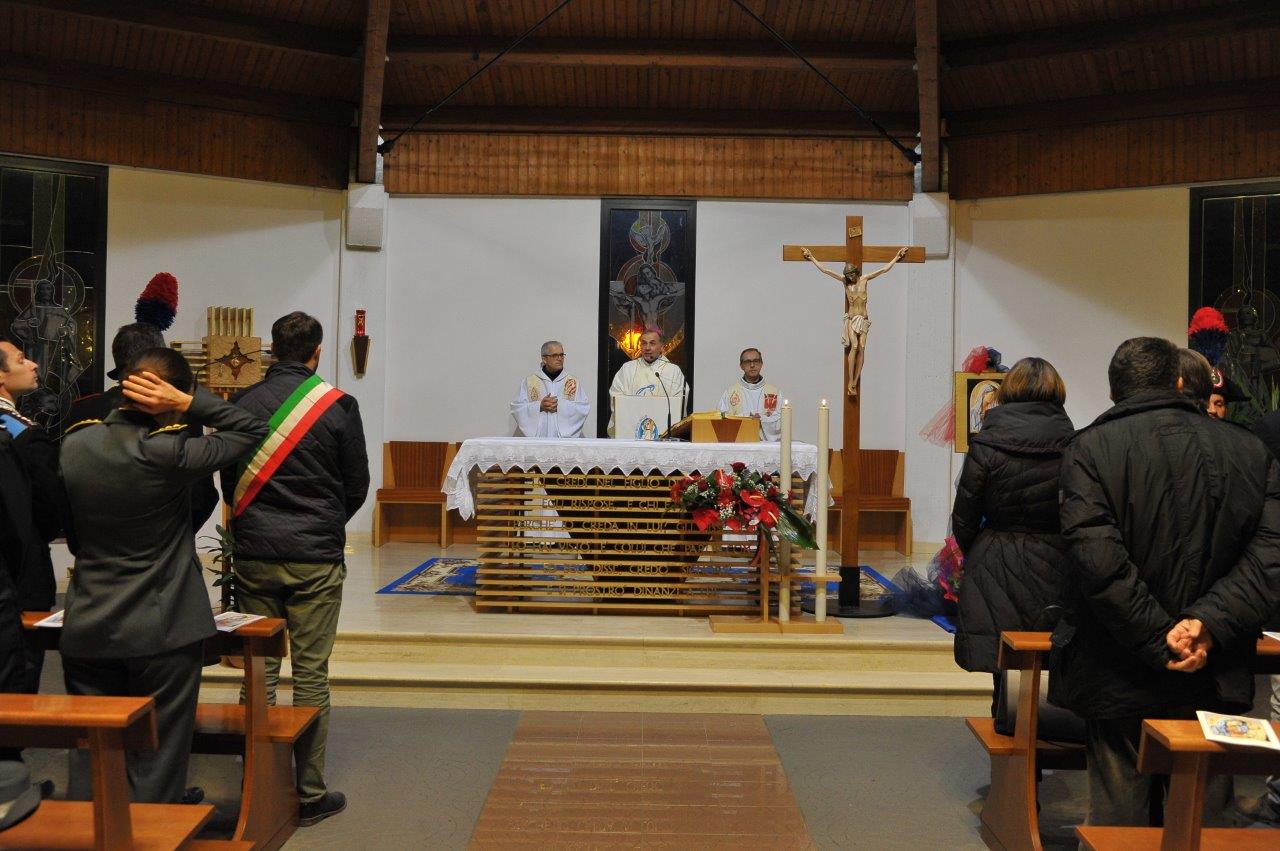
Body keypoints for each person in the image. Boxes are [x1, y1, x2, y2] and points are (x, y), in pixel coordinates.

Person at [1050, 336, 1280, 828]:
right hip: (1211, 664)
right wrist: (1205, 624)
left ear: (1114, 393)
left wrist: (1161, 638)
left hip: (1118, 664)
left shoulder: (1089, 449)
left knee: (1120, 819)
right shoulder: (1249, 450)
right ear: (1178, 382)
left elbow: (1097, 559)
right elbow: (1269, 556)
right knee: (1204, 819)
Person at [58, 348, 267, 803]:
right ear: (169, 395)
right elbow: (253, 429)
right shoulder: (169, 453)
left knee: (93, 753)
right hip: (163, 624)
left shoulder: (75, 443)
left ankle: (91, 830)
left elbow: (71, 530)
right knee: (158, 755)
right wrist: (190, 402)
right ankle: (150, 829)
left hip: (88, 619)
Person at [220, 311, 369, 827]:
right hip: (315, 559)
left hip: (256, 555)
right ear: (317, 352)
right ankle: (308, 794)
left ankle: (257, 785)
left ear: (271, 350)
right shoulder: (338, 406)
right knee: (310, 675)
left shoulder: (241, 402)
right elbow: (356, 485)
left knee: (259, 674)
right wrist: (322, 524)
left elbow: (228, 481)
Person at [950, 357, 1075, 715]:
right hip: (1057, 559)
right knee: (1052, 655)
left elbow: (964, 516)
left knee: (1003, 659)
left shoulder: (987, 444)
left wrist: (982, 550)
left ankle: (1006, 726)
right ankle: (1046, 731)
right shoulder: (1075, 443)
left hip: (996, 558)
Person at [67, 322, 219, 529]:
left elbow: (69, 490)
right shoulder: (181, 412)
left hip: (98, 538)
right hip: (167, 537)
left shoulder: (83, 410)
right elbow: (201, 494)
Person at [0, 337, 59, 694]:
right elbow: (48, 509)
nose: (34, 364)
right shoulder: (24, 435)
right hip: (19, 580)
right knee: (16, 687)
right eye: (22, 360)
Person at [607, 328, 686, 437]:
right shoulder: (628, 369)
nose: (647, 348)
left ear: (661, 346)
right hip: (631, 430)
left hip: (663, 432)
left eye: (652, 343)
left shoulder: (673, 371)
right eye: (644, 343)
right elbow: (616, 397)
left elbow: (679, 401)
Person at [510, 341, 590, 438]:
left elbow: (583, 408)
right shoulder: (530, 381)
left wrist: (560, 405)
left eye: (561, 355)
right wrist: (539, 406)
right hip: (539, 439)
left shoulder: (572, 382)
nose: (559, 358)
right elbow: (517, 408)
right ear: (544, 359)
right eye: (555, 355)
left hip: (563, 441)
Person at [717, 348, 781, 442]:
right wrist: (745, 418)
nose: (752, 365)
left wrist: (762, 420)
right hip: (739, 445)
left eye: (756, 361)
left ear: (761, 364)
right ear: (741, 366)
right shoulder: (730, 393)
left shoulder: (775, 393)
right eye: (747, 362)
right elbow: (720, 419)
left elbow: (782, 421)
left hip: (766, 446)